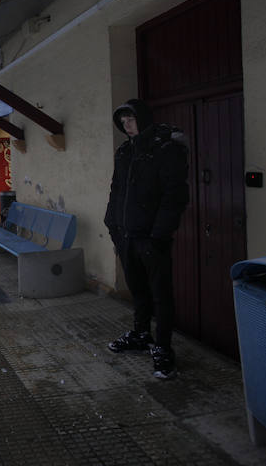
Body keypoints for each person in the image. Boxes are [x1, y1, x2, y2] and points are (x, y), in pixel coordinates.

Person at [104, 99, 189, 380]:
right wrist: (112, 224)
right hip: (127, 236)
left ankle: (163, 348)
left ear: (143, 119)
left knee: (161, 295)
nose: (127, 126)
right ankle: (142, 334)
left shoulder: (166, 149)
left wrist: (158, 235)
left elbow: (173, 196)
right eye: (123, 122)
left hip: (152, 240)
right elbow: (116, 189)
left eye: (131, 119)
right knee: (138, 290)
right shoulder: (125, 152)